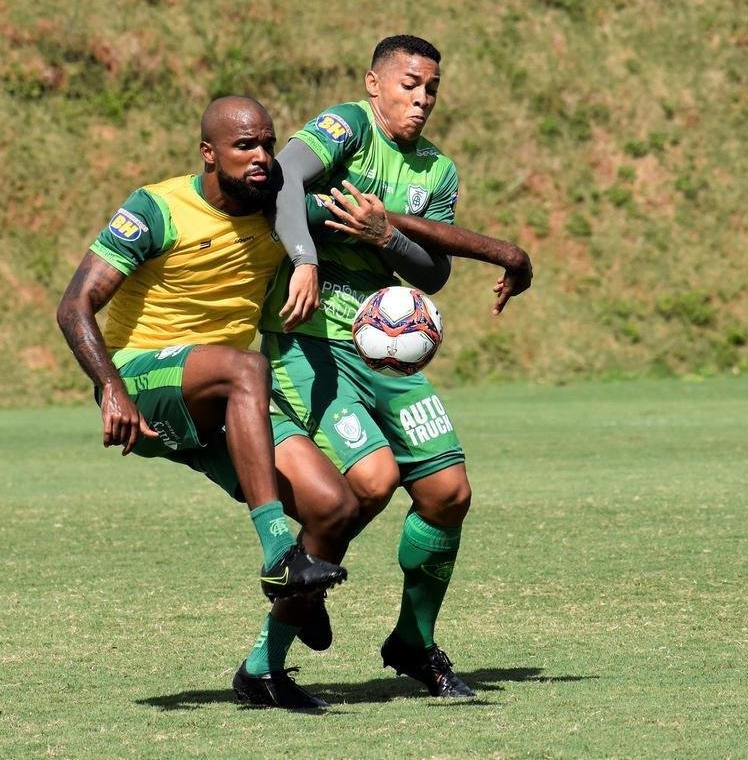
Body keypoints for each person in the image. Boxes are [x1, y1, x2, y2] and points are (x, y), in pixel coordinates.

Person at [56, 96, 359, 710]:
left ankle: (263, 669)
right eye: (245, 146)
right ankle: (279, 549)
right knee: (247, 367)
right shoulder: (157, 208)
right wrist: (111, 390)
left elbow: (385, 226)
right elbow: (74, 305)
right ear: (209, 153)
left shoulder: (282, 205)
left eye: (269, 144)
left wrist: (502, 253)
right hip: (143, 374)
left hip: (226, 395)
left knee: (334, 507)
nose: (262, 158)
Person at [258, 35, 533, 698]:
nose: (422, 97)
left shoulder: (437, 170)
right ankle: (270, 651)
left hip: (388, 346)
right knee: (372, 481)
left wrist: (385, 234)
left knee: (448, 493)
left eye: (432, 87)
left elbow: (432, 271)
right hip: (309, 334)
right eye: (410, 83)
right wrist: (304, 254)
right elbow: (283, 177)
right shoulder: (346, 127)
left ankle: (412, 640)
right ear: (375, 83)